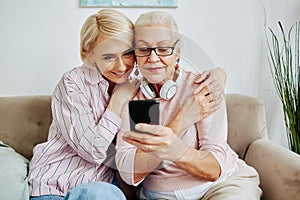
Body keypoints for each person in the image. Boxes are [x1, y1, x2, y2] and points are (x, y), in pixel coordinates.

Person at [27, 9, 226, 200]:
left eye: (128, 53)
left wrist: (219, 74)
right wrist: (118, 100)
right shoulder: (74, 83)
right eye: (108, 57)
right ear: (89, 54)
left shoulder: (140, 84)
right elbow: (97, 153)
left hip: (101, 187)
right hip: (57, 184)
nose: (122, 66)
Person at [115, 11, 262, 200]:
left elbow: (213, 168)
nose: (152, 58)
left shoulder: (201, 88)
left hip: (218, 186)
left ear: (177, 52)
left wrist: (170, 150)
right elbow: (130, 173)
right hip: (162, 194)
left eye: (163, 48)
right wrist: (183, 118)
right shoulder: (138, 102)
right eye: (143, 49)